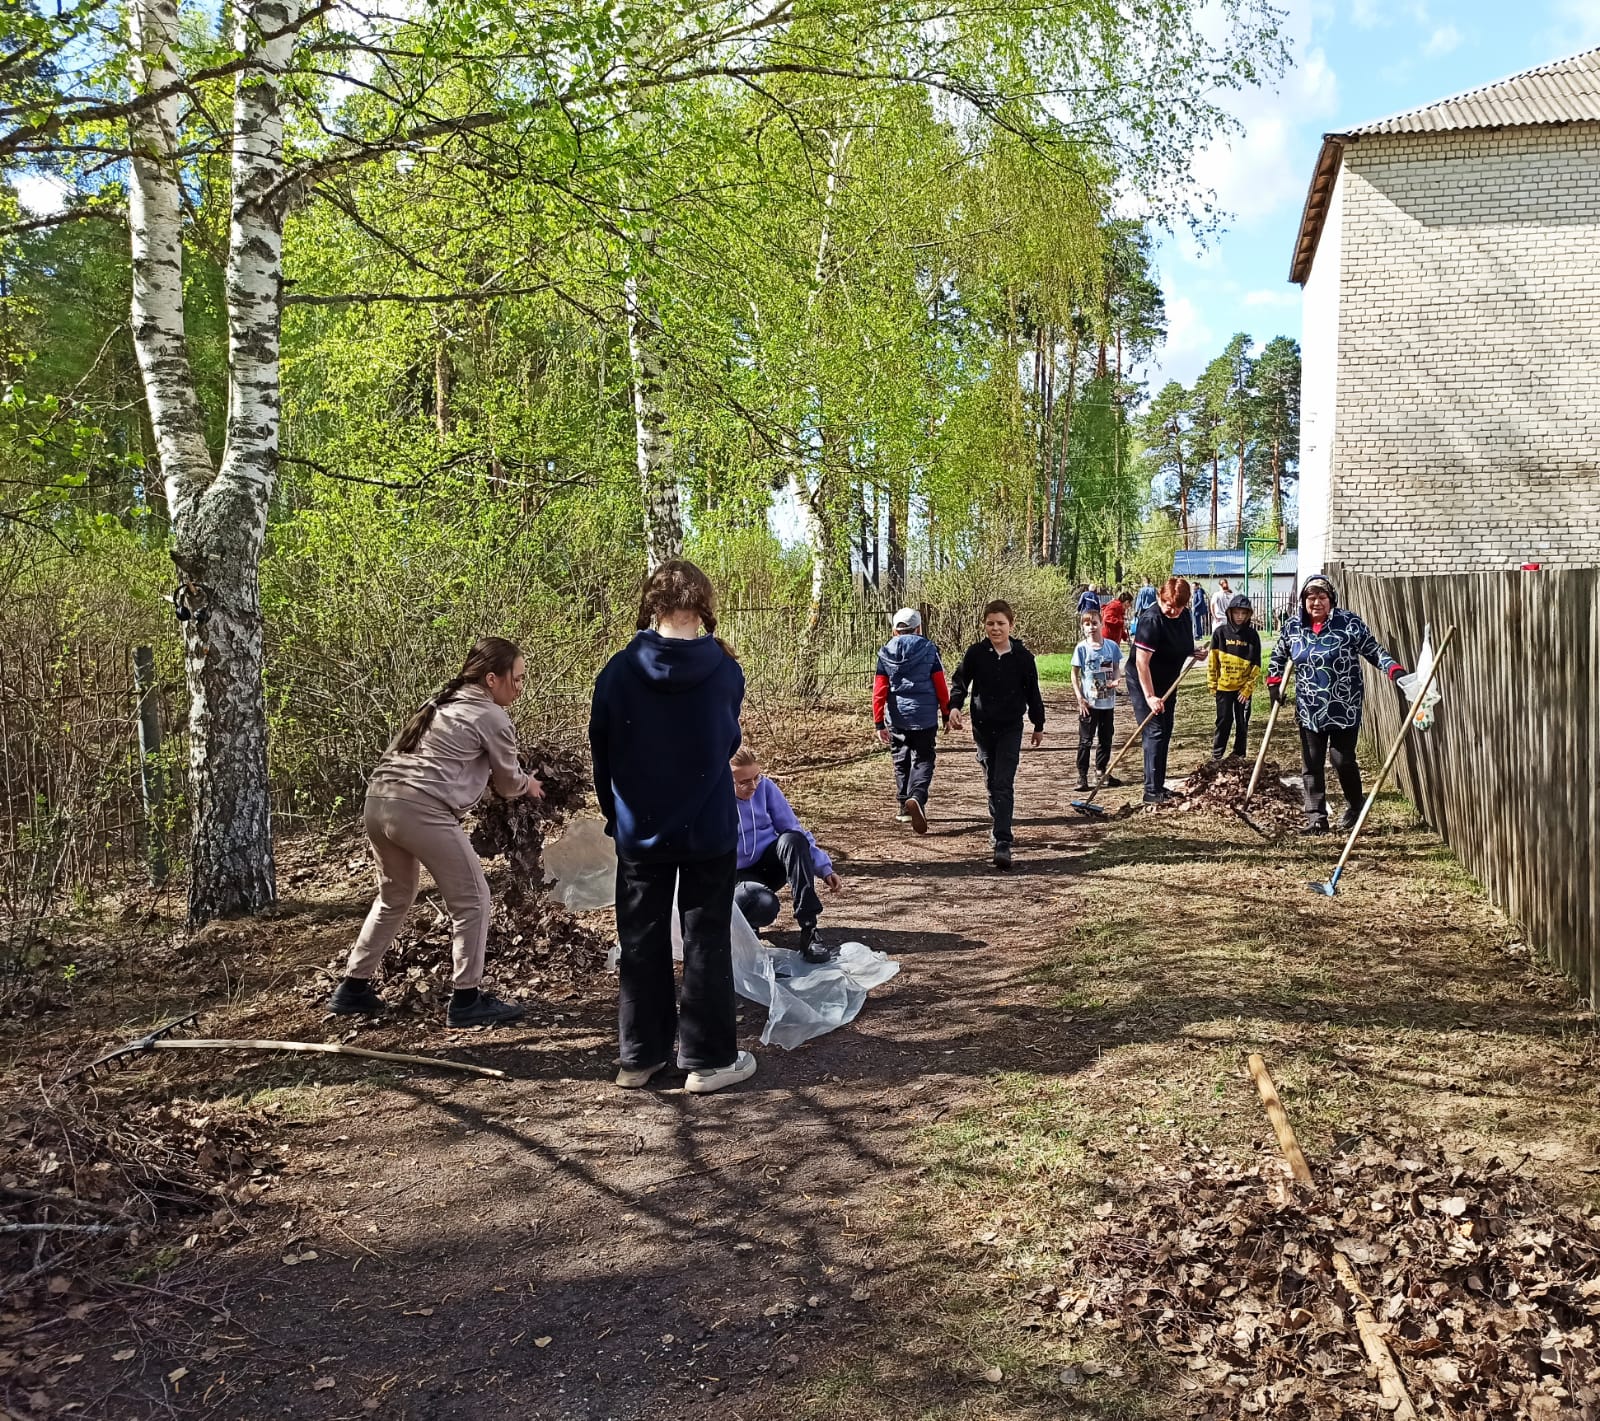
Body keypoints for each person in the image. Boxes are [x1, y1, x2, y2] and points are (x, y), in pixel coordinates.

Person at [589, 559, 755, 1094]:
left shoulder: (616, 673)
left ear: (651, 604)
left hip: (641, 828)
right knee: (705, 938)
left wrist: (617, 816)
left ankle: (639, 1057)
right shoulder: (726, 672)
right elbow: (727, 742)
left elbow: (602, 753)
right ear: (702, 606)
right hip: (707, 824)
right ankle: (709, 1061)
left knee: (641, 938)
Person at [330, 637, 542, 1027]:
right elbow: (508, 784)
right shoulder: (490, 716)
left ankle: (352, 988)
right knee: (474, 900)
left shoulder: (440, 704)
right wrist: (529, 784)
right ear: (492, 679)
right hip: (420, 809)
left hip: (379, 802)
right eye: (518, 678)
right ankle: (467, 999)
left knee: (395, 895)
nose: (521, 687)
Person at [1267, 573, 1406, 835]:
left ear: (1331, 599)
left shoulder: (1348, 623)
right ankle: (1316, 818)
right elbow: (1278, 654)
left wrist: (1394, 671)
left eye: (1322, 597)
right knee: (1312, 764)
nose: (1316, 603)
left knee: (1342, 761)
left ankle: (1355, 806)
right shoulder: (1293, 627)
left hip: (1344, 706)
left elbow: (1373, 650)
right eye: (1311, 597)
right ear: (1303, 601)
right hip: (1310, 708)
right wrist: (1274, 683)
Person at [948, 600, 1046, 870]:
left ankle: (1003, 841)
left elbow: (1033, 693)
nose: (995, 628)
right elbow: (960, 682)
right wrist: (954, 707)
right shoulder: (976, 653)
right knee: (992, 780)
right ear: (985, 625)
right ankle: (998, 822)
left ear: (1011, 626)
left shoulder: (1023, 658)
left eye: (1001, 623)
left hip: (1011, 727)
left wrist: (1038, 724)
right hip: (982, 726)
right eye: (990, 623)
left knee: (1003, 781)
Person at [731, 746, 841, 962]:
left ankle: (809, 930)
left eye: (756, 777)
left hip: (768, 865)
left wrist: (823, 867)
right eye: (743, 782)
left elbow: (793, 828)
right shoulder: (714, 799)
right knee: (763, 903)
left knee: (793, 839)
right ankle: (747, 926)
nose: (753, 786)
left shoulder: (765, 788)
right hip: (733, 875)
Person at [1129, 577, 1207, 806]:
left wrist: (1193, 652)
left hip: (1168, 683)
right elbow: (1141, 663)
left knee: (1166, 729)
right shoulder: (1151, 620)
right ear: (1159, 598)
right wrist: (1150, 696)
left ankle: (1159, 785)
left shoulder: (1184, 616)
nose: (1172, 611)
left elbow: (1177, 645)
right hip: (1144, 681)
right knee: (1154, 732)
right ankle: (1151, 791)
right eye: (1167, 605)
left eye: (1178, 606)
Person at [873, 607, 950, 834]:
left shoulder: (885, 652)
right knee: (924, 758)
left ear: (895, 630)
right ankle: (917, 796)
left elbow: (879, 689)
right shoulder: (929, 649)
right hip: (925, 716)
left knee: (901, 759)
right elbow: (940, 683)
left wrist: (879, 722)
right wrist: (946, 712)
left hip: (897, 716)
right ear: (919, 628)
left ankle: (904, 806)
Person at [1070, 608, 1121, 793]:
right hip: (1089, 703)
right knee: (1086, 740)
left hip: (1107, 702)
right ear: (1083, 627)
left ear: (1101, 624)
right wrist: (1080, 698)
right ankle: (1081, 776)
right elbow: (1074, 675)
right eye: (1086, 624)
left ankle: (1101, 771)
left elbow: (1116, 668)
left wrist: (1116, 679)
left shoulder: (1111, 647)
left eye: (1094, 623)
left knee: (1106, 738)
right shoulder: (1082, 649)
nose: (1091, 627)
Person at [1208, 593, 1261, 759]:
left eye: (1243, 613)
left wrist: (1247, 689)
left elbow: (1256, 665)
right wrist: (1212, 682)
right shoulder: (1220, 633)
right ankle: (1217, 755)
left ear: (1248, 614)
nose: (1239, 617)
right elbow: (1213, 660)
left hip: (1243, 690)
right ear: (1230, 612)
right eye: (1236, 612)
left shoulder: (1252, 636)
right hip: (1223, 687)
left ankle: (1239, 755)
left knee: (1242, 722)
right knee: (1224, 720)